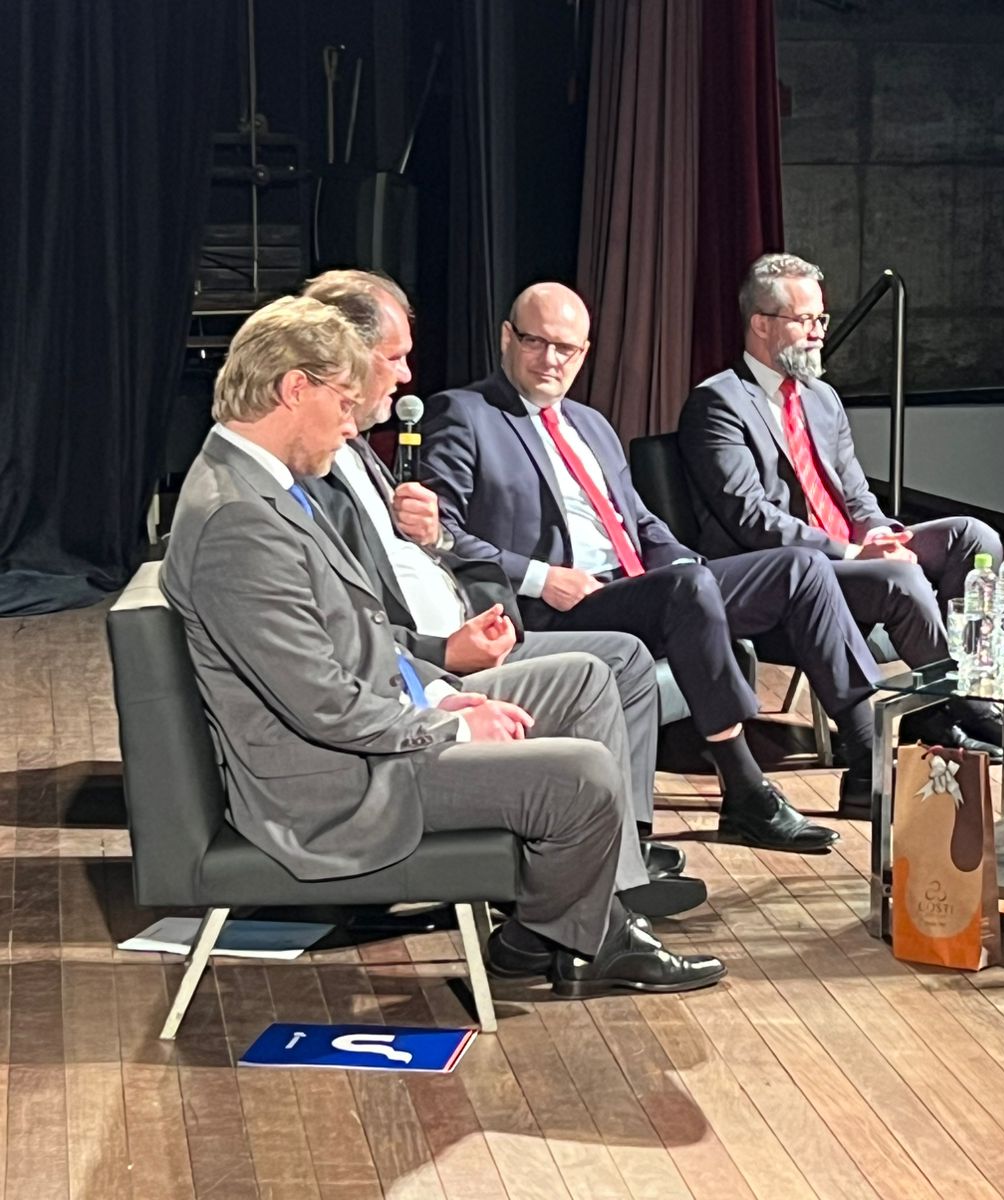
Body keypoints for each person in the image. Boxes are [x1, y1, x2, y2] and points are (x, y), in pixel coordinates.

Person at [159, 296, 723, 997]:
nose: (352, 414)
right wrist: (452, 721)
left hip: (372, 720)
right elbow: (321, 705)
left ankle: (557, 927)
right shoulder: (238, 519)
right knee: (583, 779)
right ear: (293, 388)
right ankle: (572, 931)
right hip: (339, 784)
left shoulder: (269, 488)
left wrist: (435, 683)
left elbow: (353, 636)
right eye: (343, 395)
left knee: (580, 679)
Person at [420, 282, 884, 845]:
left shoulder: (592, 424)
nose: (549, 360)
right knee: (687, 590)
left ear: (584, 353)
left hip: (641, 586)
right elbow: (440, 534)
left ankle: (866, 759)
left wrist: (694, 566)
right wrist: (542, 577)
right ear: (505, 339)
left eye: (565, 348)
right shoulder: (465, 413)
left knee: (799, 568)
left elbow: (641, 525)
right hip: (556, 606)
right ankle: (745, 792)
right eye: (534, 342)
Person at [296, 271, 697, 911]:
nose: (406, 378)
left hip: (470, 624)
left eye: (569, 348)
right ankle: (607, 888)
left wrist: (427, 537)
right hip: (431, 662)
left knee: (663, 621)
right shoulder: (310, 471)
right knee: (615, 660)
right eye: (395, 359)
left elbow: (421, 549)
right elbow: (346, 627)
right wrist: (444, 651)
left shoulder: (361, 451)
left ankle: (619, 859)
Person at [677, 252, 1004, 765]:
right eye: (806, 320)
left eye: (822, 319)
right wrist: (855, 551)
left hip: (849, 552)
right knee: (899, 581)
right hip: (786, 575)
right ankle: (975, 709)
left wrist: (882, 537)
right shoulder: (718, 404)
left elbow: (856, 496)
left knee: (972, 536)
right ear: (761, 324)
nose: (818, 332)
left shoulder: (822, 398)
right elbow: (752, 520)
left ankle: (933, 713)